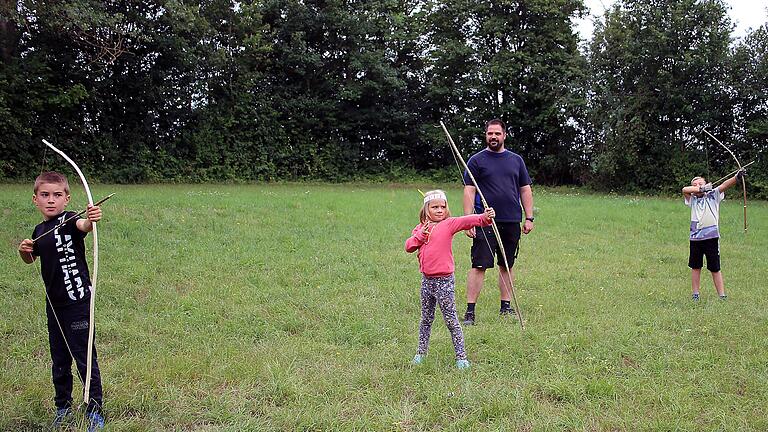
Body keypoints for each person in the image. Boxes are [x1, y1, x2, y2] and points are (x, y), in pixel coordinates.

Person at [18, 171, 105, 431]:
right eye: (45, 195)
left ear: (67, 199)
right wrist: (24, 251)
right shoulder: (39, 232)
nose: (51, 200)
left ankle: (94, 409)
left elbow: (84, 227)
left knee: (84, 358)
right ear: (35, 200)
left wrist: (91, 219)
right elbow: (31, 259)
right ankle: (63, 407)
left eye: (57, 195)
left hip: (77, 302)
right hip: (54, 306)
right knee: (59, 359)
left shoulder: (69, 220)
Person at [405, 190, 495, 369]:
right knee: (426, 318)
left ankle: (461, 357)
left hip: (444, 281)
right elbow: (409, 246)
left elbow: (468, 220)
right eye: (435, 207)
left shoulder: (449, 224)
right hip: (427, 281)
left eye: (443, 207)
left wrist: (485, 217)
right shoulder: (420, 228)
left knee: (451, 320)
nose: (439, 210)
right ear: (426, 209)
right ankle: (421, 353)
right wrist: (420, 235)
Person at [461, 119, 534, 325]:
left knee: (507, 264)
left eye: (497, 134)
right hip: (485, 221)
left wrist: (528, 217)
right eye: (490, 134)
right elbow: (469, 190)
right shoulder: (476, 160)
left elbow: (525, 189)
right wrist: (469, 220)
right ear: (486, 135)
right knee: (479, 265)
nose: (493, 137)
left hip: (511, 220)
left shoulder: (516, 160)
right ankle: (470, 312)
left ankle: (506, 307)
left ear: (505, 135)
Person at [682, 170, 745, 301]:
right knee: (695, 266)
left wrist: (737, 177)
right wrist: (700, 188)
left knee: (715, 267)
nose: (698, 185)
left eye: (701, 182)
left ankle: (721, 295)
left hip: (711, 238)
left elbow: (725, 185)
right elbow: (684, 189)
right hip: (695, 238)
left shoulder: (713, 195)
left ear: (707, 184)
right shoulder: (691, 199)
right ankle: (695, 294)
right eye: (695, 184)